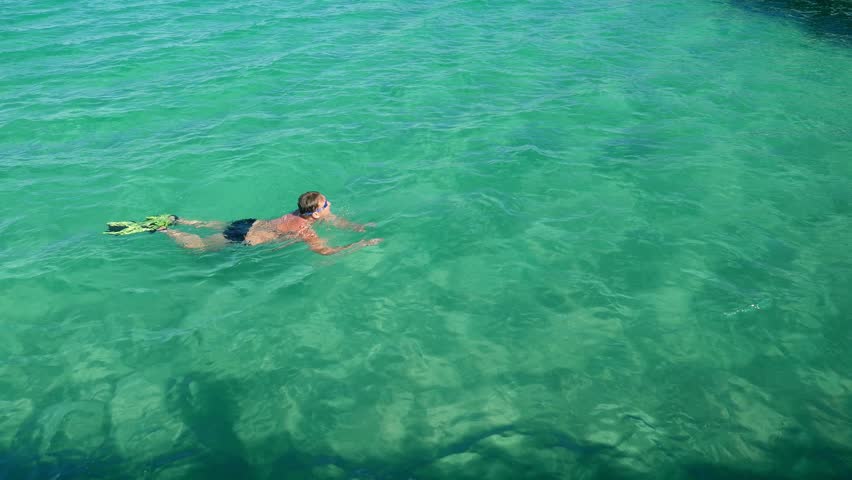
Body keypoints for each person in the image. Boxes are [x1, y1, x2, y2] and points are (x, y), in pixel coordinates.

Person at [159, 191, 382, 255]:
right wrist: (360, 244)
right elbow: (324, 251)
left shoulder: (302, 213)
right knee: (199, 247)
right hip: (246, 238)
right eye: (326, 204)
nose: (330, 205)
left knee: (219, 225)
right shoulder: (302, 227)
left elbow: (333, 219)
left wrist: (356, 227)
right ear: (314, 214)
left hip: (250, 223)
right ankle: (164, 229)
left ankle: (181, 221)